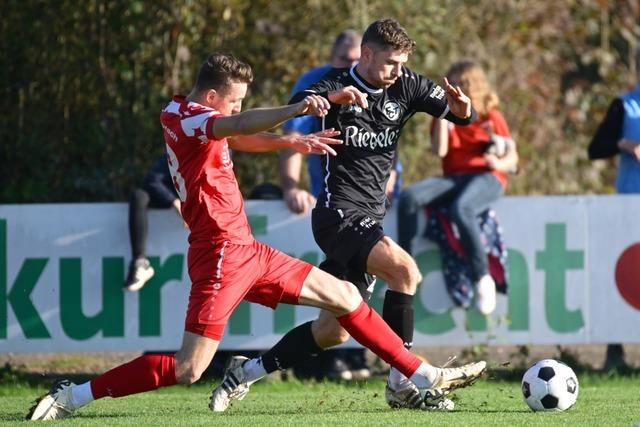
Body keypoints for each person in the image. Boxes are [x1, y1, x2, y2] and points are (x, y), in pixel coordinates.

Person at [28, 52, 485, 421]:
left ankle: (418, 375)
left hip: (247, 249)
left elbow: (237, 135)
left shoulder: (184, 113)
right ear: (211, 97)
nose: (239, 109)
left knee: (346, 296)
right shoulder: (189, 117)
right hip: (221, 255)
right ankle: (76, 395)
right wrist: (299, 110)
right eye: (235, 101)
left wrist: (289, 142)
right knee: (189, 369)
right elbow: (239, 126)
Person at [214, 18, 481, 411]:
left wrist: (465, 110)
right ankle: (403, 383)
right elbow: (299, 106)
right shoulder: (334, 83)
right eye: (390, 62)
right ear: (366, 54)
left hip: (369, 219)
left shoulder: (406, 85)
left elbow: (459, 116)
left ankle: (245, 372)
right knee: (404, 271)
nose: (397, 71)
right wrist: (317, 102)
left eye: (402, 63)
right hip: (336, 214)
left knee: (333, 330)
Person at [280, 29, 373, 382]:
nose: (351, 66)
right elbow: (292, 138)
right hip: (331, 206)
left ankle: (354, 356)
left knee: (360, 282)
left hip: (368, 207)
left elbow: (387, 156)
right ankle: (332, 359)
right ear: (332, 60)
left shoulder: (373, 85)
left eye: (356, 60)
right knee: (341, 283)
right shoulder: (316, 84)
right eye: (344, 60)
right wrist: (291, 186)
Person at [397, 59, 519, 315]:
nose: (454, 88)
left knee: (461, 208)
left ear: (473, 86)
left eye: (460, 84)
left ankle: (482, 276)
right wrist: (443, 114)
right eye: (450, 83)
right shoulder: (446, 116)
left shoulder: (490, 116)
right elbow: (440, 150)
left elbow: (513, 158)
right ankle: (404, 264)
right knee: (409, 198)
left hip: (488, 176)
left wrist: (498, 160)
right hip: (454, 177)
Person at [587, 47, 640, 371]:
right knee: (624, 277)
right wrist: (624, 145)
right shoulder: (626, 106)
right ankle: (615, 351)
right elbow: (596, 148)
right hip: (630, 204)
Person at [124, 155, 183, 291]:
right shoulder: (182, 143)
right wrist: (173, 202)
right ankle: (140, 263)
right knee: (139, 196)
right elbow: (152, 180)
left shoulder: (221, 150)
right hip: (173, 198)